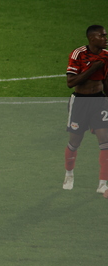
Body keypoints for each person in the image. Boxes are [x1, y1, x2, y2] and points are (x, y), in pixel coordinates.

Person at [62, 25, 108, 193]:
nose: (105, 38)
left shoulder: (106, 55)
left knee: (105, 142)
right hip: (80, 102)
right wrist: (93, 68)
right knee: (75, 142)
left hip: (99, 101)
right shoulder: (78, 54)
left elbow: (106, 80)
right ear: (92, 38)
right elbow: (71, 82)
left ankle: (103, 183)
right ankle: (69, 174)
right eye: (102, 36)